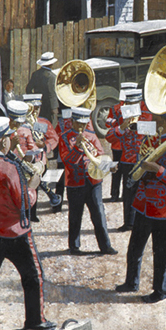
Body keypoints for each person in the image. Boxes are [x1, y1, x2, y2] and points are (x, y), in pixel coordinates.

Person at [0, 117, 55, 330]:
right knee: (33, 275)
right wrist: (34, 184)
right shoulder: (9, 169)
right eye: (8, 138)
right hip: (15, 231)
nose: (11, 141)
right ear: (2, 142)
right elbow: (25, 201)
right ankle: (35, 319)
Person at [115, 108, 166, 303]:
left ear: (163, 122)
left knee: (161, 254)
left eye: (154, 118)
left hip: (165, 210)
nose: (150, 120)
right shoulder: (150, 139)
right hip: (144, 205)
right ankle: (131, 282)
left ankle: (161, 291)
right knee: (135, 247)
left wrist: (158, 169)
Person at [58, 107, 118, 256]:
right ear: (72, 122)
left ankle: (105, 246)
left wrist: (109, 166)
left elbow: (100, 155)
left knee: (98, 214)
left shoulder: (91, 135)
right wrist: (78, 147)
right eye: (78, 124)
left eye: (84, 124)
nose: (81, 127)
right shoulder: (64, 137)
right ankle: (74, 246)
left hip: (93, 182)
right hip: (75, 183)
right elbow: (68, 162)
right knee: (75, 216)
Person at [105, 88, 152, 231]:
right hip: (127, 161)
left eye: (134, 103)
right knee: (128, 194)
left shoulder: (147, 115)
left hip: (144, 161)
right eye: (129, 103)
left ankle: (144, 222)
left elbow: (153, 132)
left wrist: (139, 126)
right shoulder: (122, 117)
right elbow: (109, 136)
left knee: (145, 192)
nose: (131, 107)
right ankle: (129, 222)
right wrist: (122, 127)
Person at [22, 94, 59, 222]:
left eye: (37, 108)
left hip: (40, 160)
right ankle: (26, 213)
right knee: (26, 186)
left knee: (37, 186)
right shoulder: (21, 123)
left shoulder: (43, 122)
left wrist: (45, 145)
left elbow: (54, 138)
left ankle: (33, 213)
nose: (35, 111)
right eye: (33, 108)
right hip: (26, 160)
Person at [104, 82, 138, 203]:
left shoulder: (117, 107)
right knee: (119, 170)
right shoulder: (115, 108)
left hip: (123, 144)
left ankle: (117, 194)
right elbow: (107, 121)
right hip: (118, 142)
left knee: (119, 170)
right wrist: (117, 124)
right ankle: (118, 194)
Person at [26, 52, 60, 127]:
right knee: (51, 127)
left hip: (39, 106)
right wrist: (54, 108)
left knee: (40, 125)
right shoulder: (52, 77)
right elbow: (52, 93)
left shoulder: (35, 74)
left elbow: (28, 89)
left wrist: (34, 101)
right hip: (50, 107)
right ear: (51, 64)